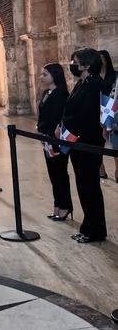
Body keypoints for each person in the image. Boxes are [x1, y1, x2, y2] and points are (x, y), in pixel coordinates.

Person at [60, 48, 107, 243]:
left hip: (87, 142)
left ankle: (94, 231)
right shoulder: (83, 83)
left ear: (87, 65)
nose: (73, 64)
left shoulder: (95, 84)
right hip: (78, 142)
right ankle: (88, 227)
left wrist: (69, 130)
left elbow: (86, 115)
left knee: (90, 186)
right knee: (83, 184)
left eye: (75, 61)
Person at [37, 64, 72, 221]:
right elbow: (43, 114)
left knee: (60, 173)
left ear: (54, 75)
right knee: (52, 174)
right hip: (47, 138)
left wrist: (45, 129)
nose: (41, 77)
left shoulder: (61, 93)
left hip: (56, 138)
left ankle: (65, 206)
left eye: (44, 74)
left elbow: (56, 117)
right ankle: (57, 205)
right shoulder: (47, 92)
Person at [98, 50, 117, 180]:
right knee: (97, 142)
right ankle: (101, 170)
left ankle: (117, 170)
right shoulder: (93, 77)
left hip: (112, 112)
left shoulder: (115, 75)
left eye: (103, 58)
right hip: (97, 111)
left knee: (115, 142)